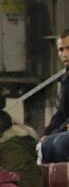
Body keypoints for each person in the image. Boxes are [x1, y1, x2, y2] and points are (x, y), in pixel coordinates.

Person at [39, 29, 69, 163]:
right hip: (65, 128)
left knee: (59, 143)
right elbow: (61, 113)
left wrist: (58, 131)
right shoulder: (65, 79)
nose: (65, 54)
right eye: (61, 50)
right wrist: (46, 133)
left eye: (68, 48)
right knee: (44, 145)